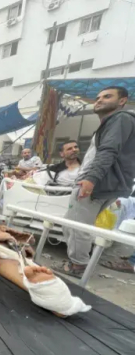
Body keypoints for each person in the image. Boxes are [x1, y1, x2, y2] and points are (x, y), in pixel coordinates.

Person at [56, 86, 135, 278]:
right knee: (71, 223)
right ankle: (79, 260)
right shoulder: (113, 123)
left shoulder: (120, 119)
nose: (99, 100)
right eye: (98, 97)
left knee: (78, 226)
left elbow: (108, 151)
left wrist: (90, 179)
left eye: (107, 96)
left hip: (97, 183)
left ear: (122, 100)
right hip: (103, 182)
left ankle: (78, 266)